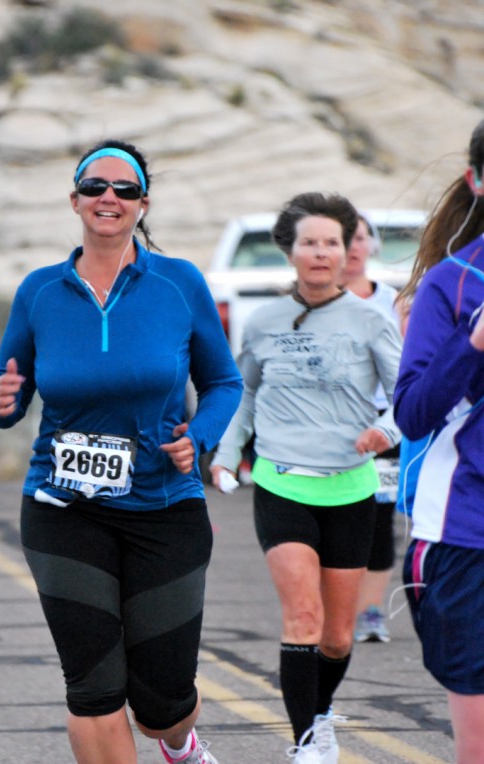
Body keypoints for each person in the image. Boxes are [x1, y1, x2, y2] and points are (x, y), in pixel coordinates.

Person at [0, 139, 243, 764]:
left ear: (142, 204)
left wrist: (198, 439)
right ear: (74, 200)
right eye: (95, 186)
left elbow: (223, 383)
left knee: (160, 701)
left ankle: (181, 744)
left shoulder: (178, 283)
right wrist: (4, 397)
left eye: (124, 189)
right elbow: (0, 393)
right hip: (63, 507)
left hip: (164, 506)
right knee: (94, 686)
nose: (109, 198)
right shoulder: (41, 291)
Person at [210, 192, 403, 763]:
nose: (321, 253)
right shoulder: (264, 321)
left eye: (332, 243)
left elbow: (403, 398)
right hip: (281, 480)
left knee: (338, 636)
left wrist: (384, 433)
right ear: (290, 252)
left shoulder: (372, 319)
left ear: (348, 253)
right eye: (309, 243)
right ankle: (305, 744)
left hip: (350, 487)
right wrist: (226, 455)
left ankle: (318, 717)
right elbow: (243, 392)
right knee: (303, 617)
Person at [395, 117, 484, 764]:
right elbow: (414, 412)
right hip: (467, 534)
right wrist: (473, 342)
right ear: (476, 181)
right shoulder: (450, 284)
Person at [339, 214, 402, 644]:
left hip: (384, 430)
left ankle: (373, 611)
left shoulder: (394, 301)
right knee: (339, 522)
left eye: (361, 237)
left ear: (372, 245)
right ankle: (336, 607)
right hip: (330, 429)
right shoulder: (315, 299)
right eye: (345, 238)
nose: (354, 245)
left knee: (380, 520)